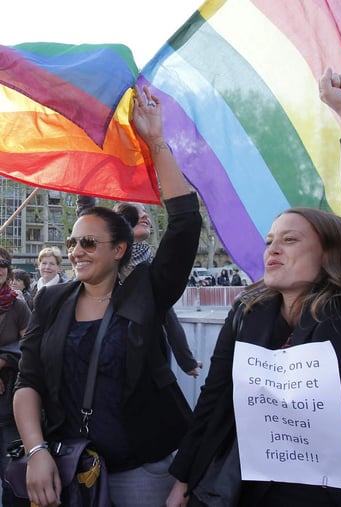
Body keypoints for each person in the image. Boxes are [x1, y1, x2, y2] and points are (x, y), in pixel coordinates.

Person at [166, 69, 341, 507]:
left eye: (291, 239)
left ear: (331, 253)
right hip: (265, 492)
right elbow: (217, 397)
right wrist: (184, 479)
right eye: (269, 241)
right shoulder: (248, 311)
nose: (272, 250)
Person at [13, 85, 202, 507]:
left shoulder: (147, 291)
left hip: (140, 473)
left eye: (89, 243)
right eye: (72, 242)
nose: (75, 251)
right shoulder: (51, 300)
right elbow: (30, 381)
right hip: (66, 468)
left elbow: (186, 224)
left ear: (119, 250)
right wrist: (36, 451)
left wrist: (155, 140)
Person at [112, 201, 202, 377]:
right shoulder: (106, 263)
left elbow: (168, 314)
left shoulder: (151, 267)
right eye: (136, 211)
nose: (145, 215)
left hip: (147, 358)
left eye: (145, 211)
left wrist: (186, 360)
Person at [0, 249, 31, 507]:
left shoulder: (18, 305)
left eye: (3, 264)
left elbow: (28, 345)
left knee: (10, 468)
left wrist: (2, 360)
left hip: (9, 396)